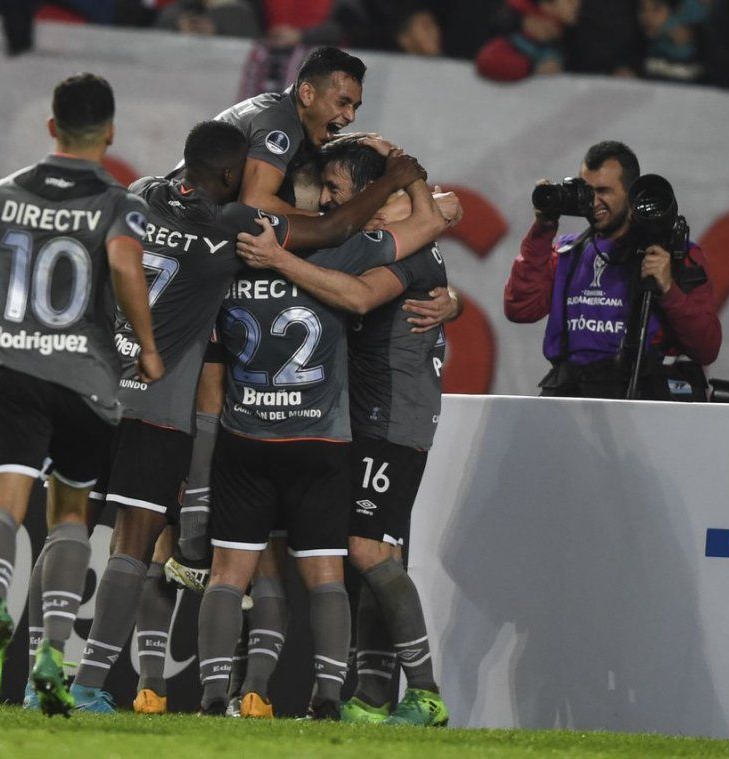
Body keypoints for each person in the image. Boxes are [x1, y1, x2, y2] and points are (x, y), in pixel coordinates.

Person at [62, 121, 427, 715]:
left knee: (102, 540)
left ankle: (82, 678)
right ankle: (307, 695)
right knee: (302, 571)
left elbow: (206, 374)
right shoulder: (257, 236)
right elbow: (374, 231)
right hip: (274, 432)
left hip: (138, 404)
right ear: (238, 176)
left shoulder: (155, 204)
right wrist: (405, 180)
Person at [0, 72, 162, 716]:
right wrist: (147, 346)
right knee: (69, 516)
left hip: (14, 373)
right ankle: (52, 654)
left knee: (2, 507)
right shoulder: (118, 203)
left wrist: (11, 294)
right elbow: (124, 265)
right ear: (109, 132)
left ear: (52, 126)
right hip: (87, 382)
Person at [196, 152, 448, 720]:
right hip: (345, 422)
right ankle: (363, 695)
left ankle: (424, 691)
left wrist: (279, 258)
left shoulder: (397, 251)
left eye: (338, 189)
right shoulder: (353, 244)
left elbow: (359, 296)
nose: (331, 203)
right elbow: (434, 214)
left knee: (364, 551)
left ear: (377, 194)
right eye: (326, 189)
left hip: (388, 419)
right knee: (353, 556)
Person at [503, 141, 721, 399]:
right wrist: (543, 227)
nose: (593, 202)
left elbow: (706, 348)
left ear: (631, 193)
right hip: (570, 398)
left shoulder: (675, 255)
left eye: (603, 191)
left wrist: (669, 289)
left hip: (643, 400)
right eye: (587, 190)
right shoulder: (567, 252)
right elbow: (520, 308)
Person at [214, 45, 365, 216]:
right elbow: (253, 202)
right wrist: (326, 223)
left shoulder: (280, 110)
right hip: (195, 218)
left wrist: (358, 140)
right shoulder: (279, 123)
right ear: (307, 94)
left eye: (354, 107)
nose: (351, 116)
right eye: (342, 103)